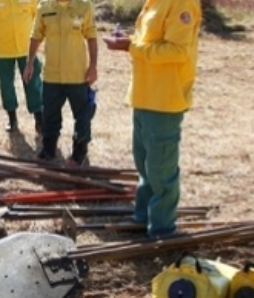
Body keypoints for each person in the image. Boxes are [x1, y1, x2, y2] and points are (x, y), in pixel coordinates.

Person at [103, 0, 202, 238]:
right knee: (144, 164)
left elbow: (177, 51)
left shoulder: (182, 4)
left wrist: (131, 47)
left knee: (161, 170)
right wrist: (131, 42)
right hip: (145, 96)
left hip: (164, 100)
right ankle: (144, 215)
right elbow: (149, 42)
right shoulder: (154, 2)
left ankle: (162, 228)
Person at [23, 0, 97, 166]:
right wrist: (29, 63)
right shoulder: (44, 7)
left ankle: (79, 153)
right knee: (49, 115)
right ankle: (48, 150)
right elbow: (36, 36)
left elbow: (92, 36)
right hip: (52, 75)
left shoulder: (84, 6)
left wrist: (93, 66)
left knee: (83, 116)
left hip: (77, 75)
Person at [0, 0, 42, 133]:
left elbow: (35, 14)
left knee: (33, 82)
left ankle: (39, 118)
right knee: (6, 85)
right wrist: (2, 32)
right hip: (3, 49)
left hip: (26, 48)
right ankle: (12, 119)